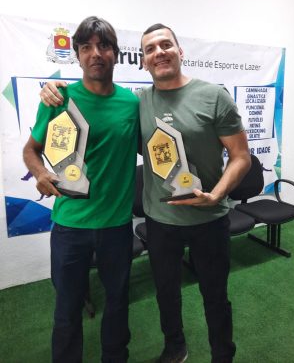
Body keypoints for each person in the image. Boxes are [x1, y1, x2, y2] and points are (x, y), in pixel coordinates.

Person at [40, 23, 251, 363]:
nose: (159, 52)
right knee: (166, 295)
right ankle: (175, 349)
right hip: (159, 220)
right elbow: (97, 111)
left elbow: (242, 157)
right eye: (150, 49)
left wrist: (217, 194)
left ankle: (222, 355)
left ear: (180, 52)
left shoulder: (214, 96)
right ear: (142, 61)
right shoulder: (138, 103)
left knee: (215, 295)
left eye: (166, 44)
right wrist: (51, 87)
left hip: (209, 218)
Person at [23, 16, 139, 363]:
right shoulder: (58, 99)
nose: (95, 53)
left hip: (117, 227)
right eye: (86, 47)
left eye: (103, 46)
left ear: (116, 54)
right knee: (67, 309)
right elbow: (30, 150)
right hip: (70, 227)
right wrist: (40, 173)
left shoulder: (132, 104)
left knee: (118, 304)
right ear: (76, 55)